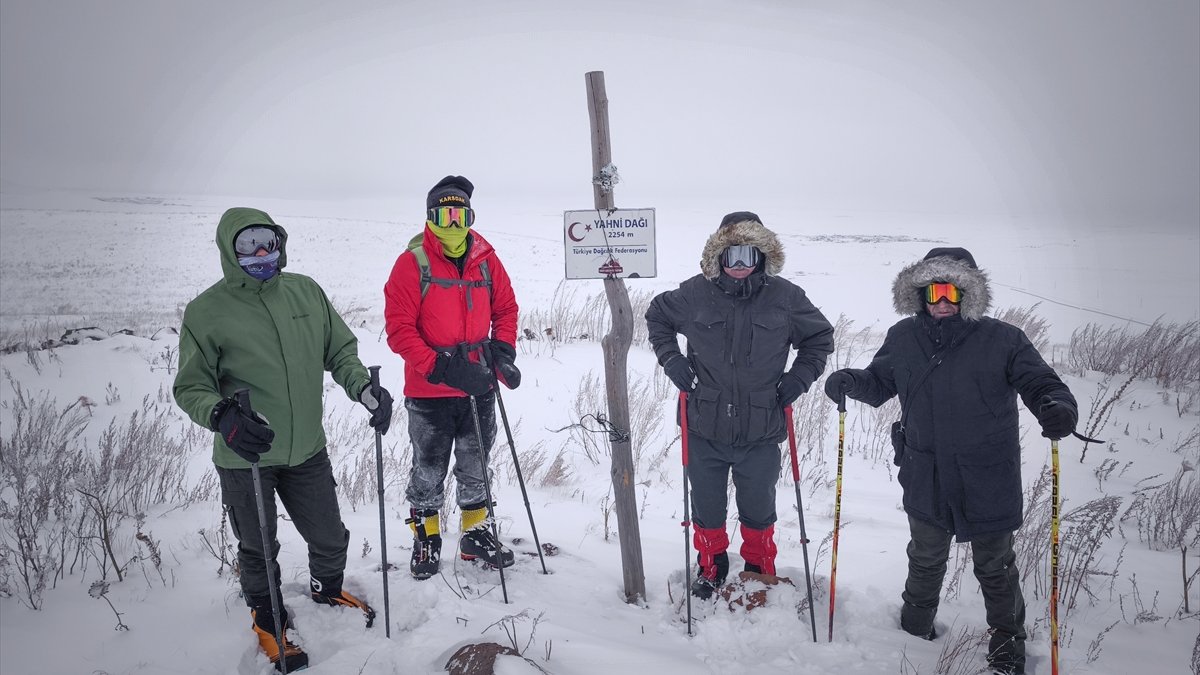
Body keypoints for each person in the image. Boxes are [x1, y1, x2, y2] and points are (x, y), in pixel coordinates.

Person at [822, 247, 1077, 675]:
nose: (942, 301)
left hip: (987, 473)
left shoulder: (1004, 339)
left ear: (968, 295)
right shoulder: (903, 337)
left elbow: (1039, 381)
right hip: (925, 470)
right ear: (919, 294)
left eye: (953, 292)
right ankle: (913, 630)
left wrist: (1056, 405)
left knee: (995, 565)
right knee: (925, 556)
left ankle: (1008, 649)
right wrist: (851, 381)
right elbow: (881, 382)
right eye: (933, 291)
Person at [173, 207, 393, 672]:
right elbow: (191, 386)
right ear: (229, 250)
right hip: (245, 454)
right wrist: (221, 415)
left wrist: (364, 389)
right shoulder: (207, 311)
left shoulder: (305, 291)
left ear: (280, 243)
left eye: (267, 242)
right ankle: (267, 616)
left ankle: (327, 588)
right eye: (247, 244)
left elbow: (340, 350)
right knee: (258, 545)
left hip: (307, 448)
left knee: (329, 536)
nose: (260, 253)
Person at [646, 211, 835, 599]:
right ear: (718, 256)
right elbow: (657, 316)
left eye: (749, 256)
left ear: (763, 256)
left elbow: (819, 339)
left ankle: (758, 566)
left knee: (758, 508)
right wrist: (673, 361)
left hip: (761, 427)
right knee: (708, 506)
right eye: (731, 256)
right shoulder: (694, 293)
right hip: (704, 425)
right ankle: (711, 566)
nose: (739, 266)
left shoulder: (786, 298)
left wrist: (798, 379)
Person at [383, 175, 521, 580]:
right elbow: (399, 330)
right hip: (430, 389)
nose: (454, 221)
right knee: (429, 467)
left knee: (476, 461)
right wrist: (441, 368)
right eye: (446, 213)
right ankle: (426, 538)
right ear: (431, 217)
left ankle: (475, 535)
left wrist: (503, 351)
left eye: (461, 213)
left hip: (478, 383)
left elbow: (507, 308)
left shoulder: (486, 258)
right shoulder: (412, 264)